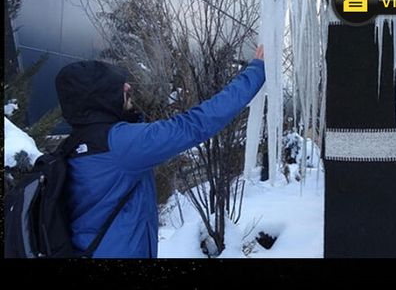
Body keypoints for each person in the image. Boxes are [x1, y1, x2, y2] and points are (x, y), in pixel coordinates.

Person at [54, 45, 265, 258]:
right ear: (100, 97)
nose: (128, 87)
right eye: (118, 87)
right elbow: (196, 123)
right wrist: (256, 72)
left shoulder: (72, 145)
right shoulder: (121, 144)